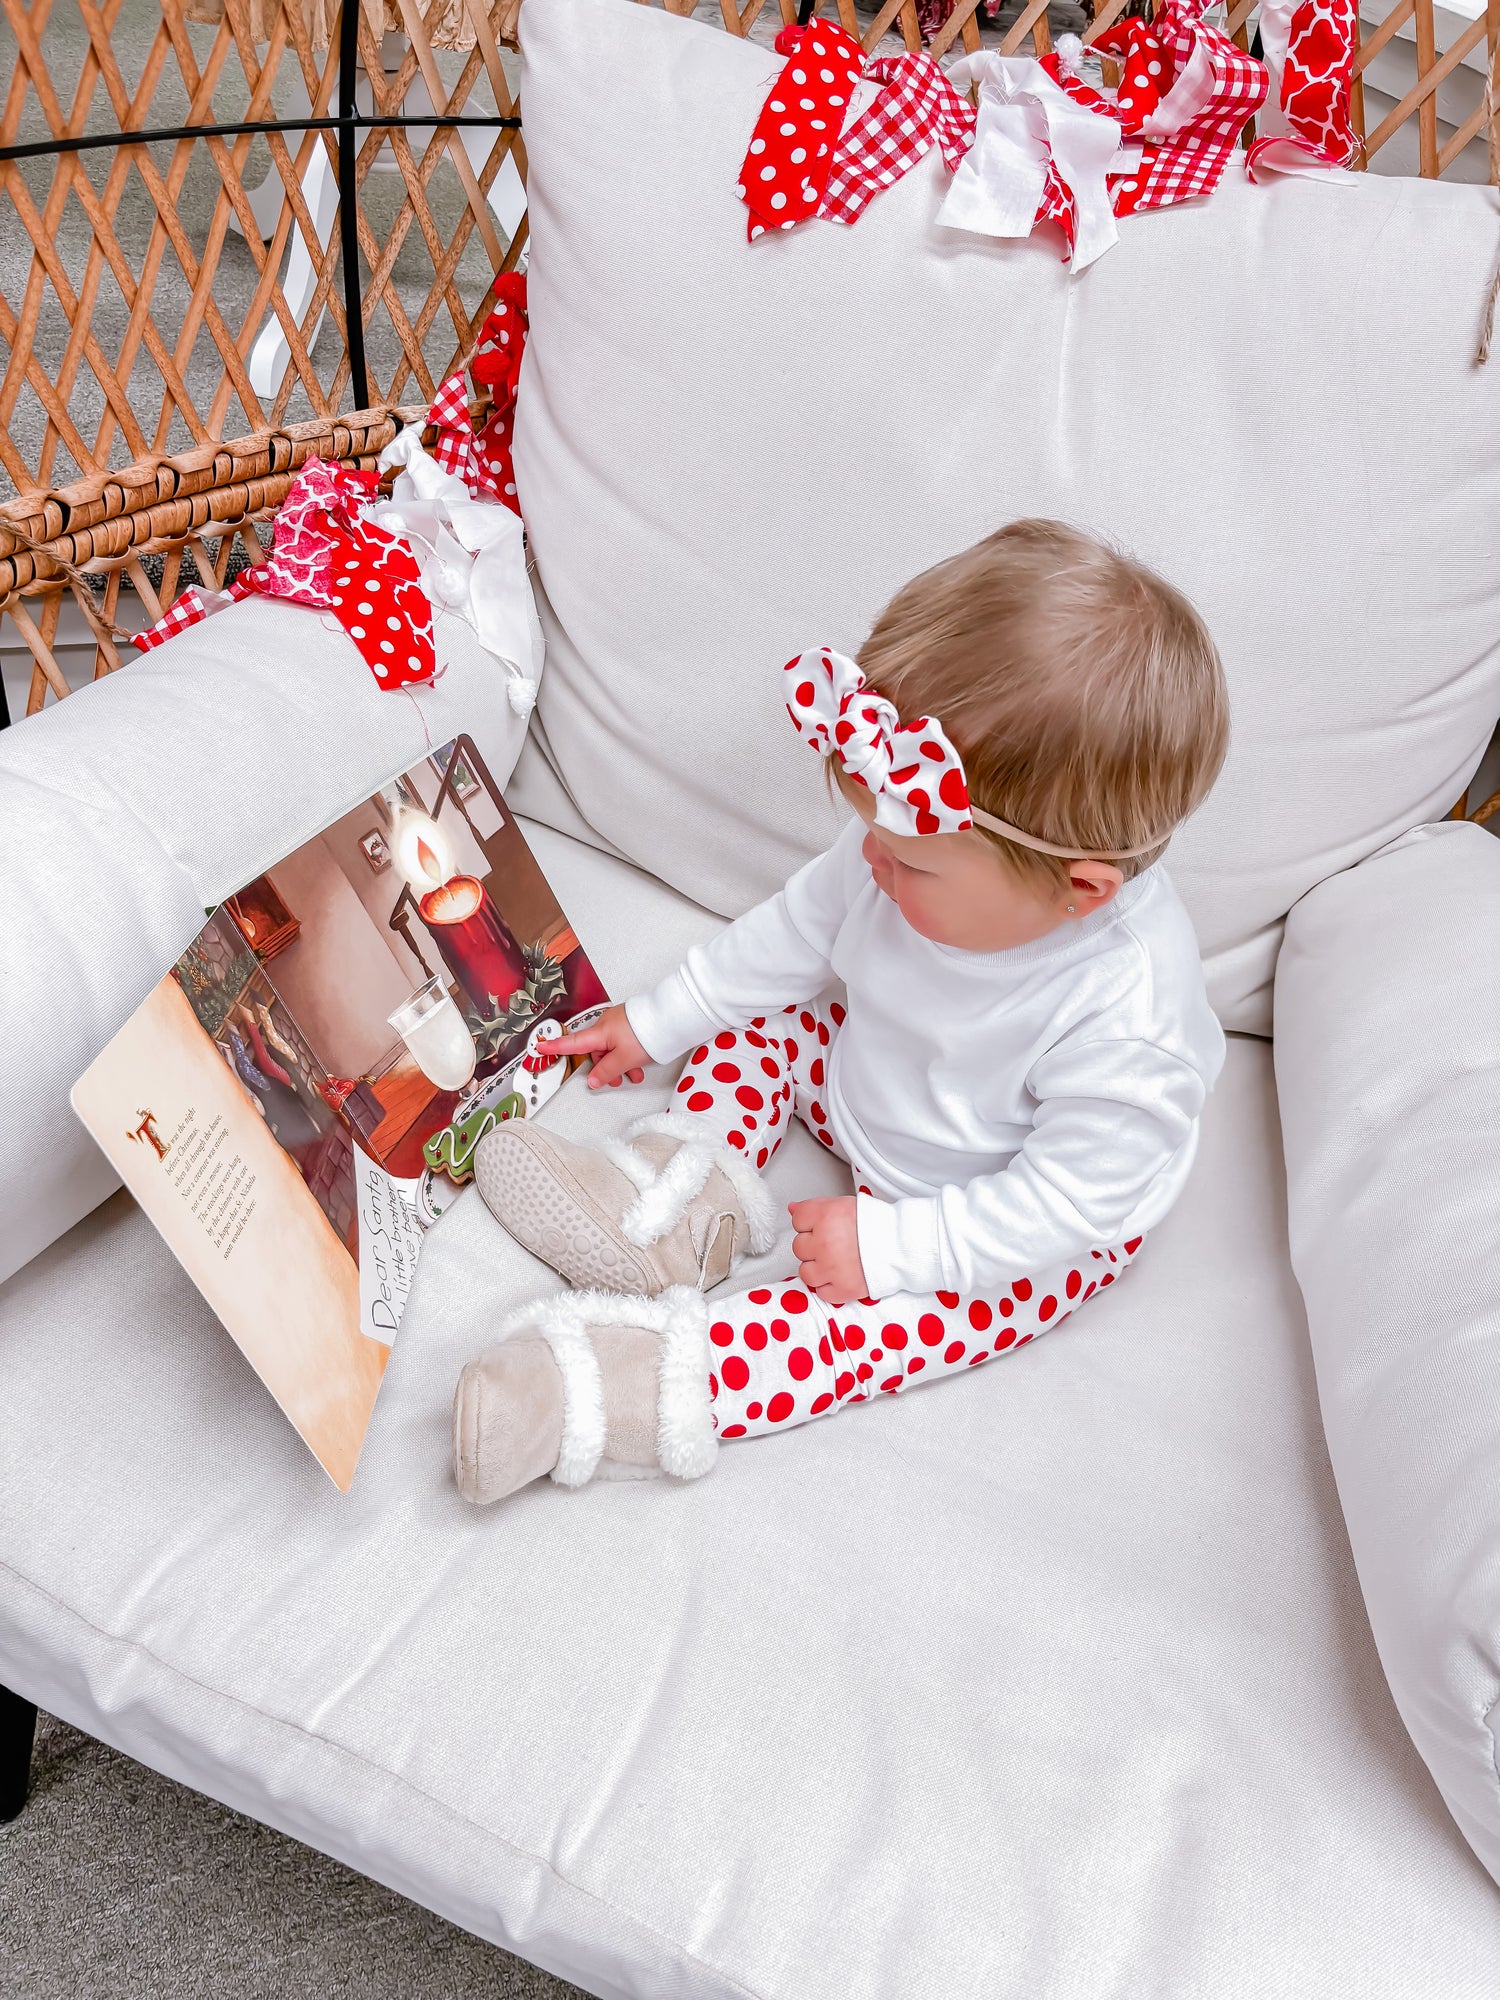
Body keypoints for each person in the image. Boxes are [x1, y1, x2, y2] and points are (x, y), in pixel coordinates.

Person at [452, 519, 1230, 1502]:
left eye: (907, 860)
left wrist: (898, 1246)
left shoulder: (1128, 1023)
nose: (868, 863)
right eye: (871, 835)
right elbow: (789, 934)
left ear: (1079, 889)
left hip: (1007, 1212)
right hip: (874, 1073)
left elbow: (1067, 1204)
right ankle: (670, 1202)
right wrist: (654, 1020)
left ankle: (615, 1382)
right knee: (767, 1019)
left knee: (884, 1326)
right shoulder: (895, 849)